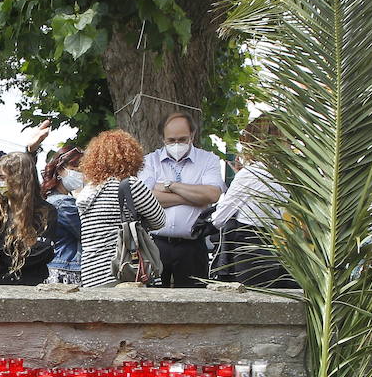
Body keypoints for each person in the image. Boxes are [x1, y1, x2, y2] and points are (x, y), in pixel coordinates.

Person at [139, 112, 225, 287]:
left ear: (192, 135)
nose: (176, 144)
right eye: (171, 140)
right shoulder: (150, 161)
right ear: (162, 139)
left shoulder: (208, 160)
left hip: (192, 247)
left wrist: (171, 186)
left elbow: (212, 194)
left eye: (182, 139)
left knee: (195, 306)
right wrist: (193, 198)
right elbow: (143, 198)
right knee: (151, 305)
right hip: (156, 245)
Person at [76, 130, 167, 287]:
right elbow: (159, 221)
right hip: (125, 271)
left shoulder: (87, 192)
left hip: (92, 275)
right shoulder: (130, 185)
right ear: (132, 158)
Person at [212, 118, 292, 287]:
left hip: (248, 250)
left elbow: (219, 219)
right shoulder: (286, 176)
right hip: (276, 248)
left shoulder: (250, 174)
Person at [0, 152, 59, 285]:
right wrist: (19, 248)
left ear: (19, 179)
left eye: (3, 177)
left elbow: (41, 253)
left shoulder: (45, 212)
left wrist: (2, 248)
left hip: (31, 285)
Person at [40, 147, 85, 284]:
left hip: (56, 267)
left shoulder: (50, 200)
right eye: (76, 168)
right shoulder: (63, 204)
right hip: (67, 269)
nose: (81, 173)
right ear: (60, 170)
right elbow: (87, 233)